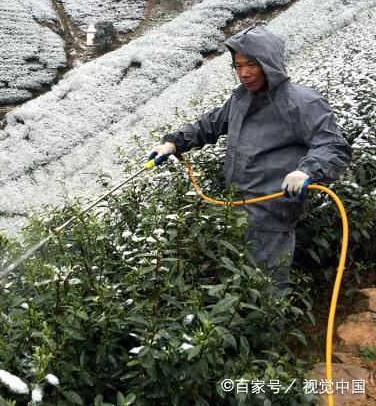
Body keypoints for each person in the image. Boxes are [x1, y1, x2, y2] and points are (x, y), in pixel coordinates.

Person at [149, 25, 352, 292]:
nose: (244, 74)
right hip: (235, 209)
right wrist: (174, 143)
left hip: (271, 213)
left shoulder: (303, 102)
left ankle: (269, 332)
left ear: (270, 63)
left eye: (252, 65)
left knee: (266, 288)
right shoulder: (242, 98)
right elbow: (210, 125)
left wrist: (307, 171)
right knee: (239, 285)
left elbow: (334, 147)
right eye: (238, 66)